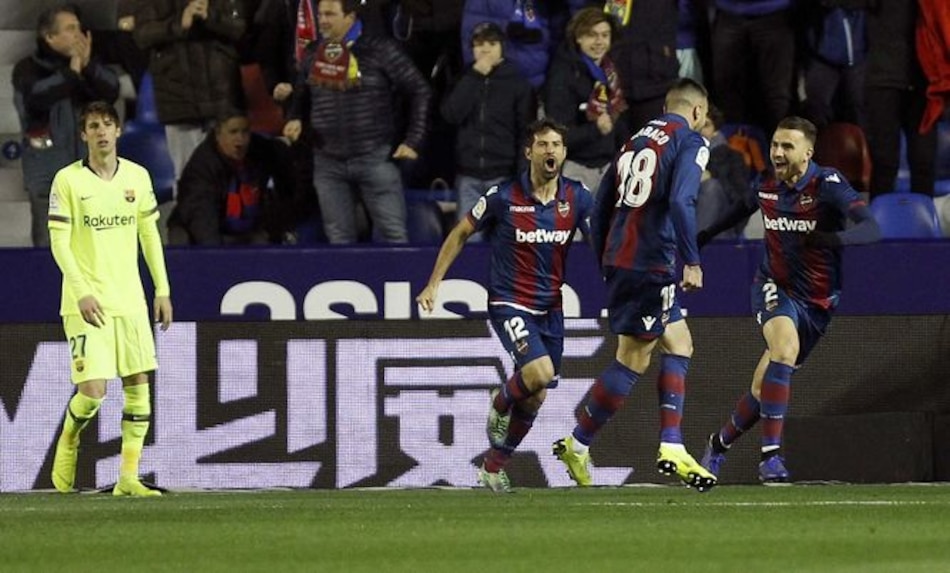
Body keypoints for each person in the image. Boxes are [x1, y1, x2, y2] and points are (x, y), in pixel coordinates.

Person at [553, 78, 717, 492]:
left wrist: (605, 260)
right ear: (698, 112)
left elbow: (600, 206)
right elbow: (681, 200)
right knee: (633, 359)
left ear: (666, 107)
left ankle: (671, 442)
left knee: (679, 342)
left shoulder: (635, 140)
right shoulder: (691, 141)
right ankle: (581, 442)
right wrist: (692, 261)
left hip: (622, 258)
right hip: (650, 261)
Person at [696, 116, 880, 483]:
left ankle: (718, 444)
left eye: (787, 147)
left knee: (762, 388)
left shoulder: (827, 184)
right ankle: (771, 458)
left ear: (808, 153)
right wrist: (702, 237)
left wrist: (830, 240)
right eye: (775, 145)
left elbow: (871, 229)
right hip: (774, 286)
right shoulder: (766, 182)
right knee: (784, 349)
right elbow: (739, 209)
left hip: (819, 301)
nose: (777, 153)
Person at [416, 118, 594, 493]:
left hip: (550, 308)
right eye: (543, 144)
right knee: (539, 373)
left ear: (564, 153)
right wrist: (434, 283)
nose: (550, 150)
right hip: (509, 302)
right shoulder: (503, 196)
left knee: (537, 394)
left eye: (556, 145)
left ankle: (492, 467)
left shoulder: (578, 197)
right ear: (529, 152)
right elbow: (461, 232)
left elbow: (603, 243)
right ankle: (498, 402)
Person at [48, 100, 173, 497]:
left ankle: (128, 478)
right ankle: (69, 437)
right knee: (93, 393)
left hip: (130, 299)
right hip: (86, 303)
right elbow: (59, 243)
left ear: (118, 130)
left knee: (138, 384)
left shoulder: (137, 176)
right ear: (83, 135)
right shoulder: (68, 181)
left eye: (107, 124)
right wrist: (81, 291)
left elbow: (149, 235)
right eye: (93, 126)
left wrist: (162, 289)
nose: (101, 131)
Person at [283, 0, 432, 244]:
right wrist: (294, 118)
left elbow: (420, 90)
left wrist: (413, 140)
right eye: (320, 15)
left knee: (393, 238)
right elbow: (301, 95)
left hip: (375, 158)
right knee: (339, 241)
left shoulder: (381, 49)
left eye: (330, 14)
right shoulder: (313, 52)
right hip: (328, 162)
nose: (322, 20)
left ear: (350, 17)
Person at [12, 4, 120, 248]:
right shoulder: (28, 69)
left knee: (92, 246)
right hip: (48, 172)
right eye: (70, 29)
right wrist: (71, 74)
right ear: (49, 36)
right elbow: (36, 98)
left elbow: (112, 90)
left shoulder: (88, 66)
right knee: (49, 246)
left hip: (90, 171)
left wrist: (88, 65)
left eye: (79, 28)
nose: (79, 35)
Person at [441, 21, 534, 236]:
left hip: (504, 177)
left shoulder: (517, 82)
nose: (485, 49)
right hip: (468, 177)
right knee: (467, 242)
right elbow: (451, 115)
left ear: (502, 47)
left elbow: (526, 132)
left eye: (492, 43)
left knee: (509, 242)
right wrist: (474, 77)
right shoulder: (464, 78)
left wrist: (523, 177)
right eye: (479, 44)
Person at [166, 110, 298, 245]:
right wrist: (216, 254)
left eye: (245, 132)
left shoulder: (261, 150)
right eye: (233, 132)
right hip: (201, 231)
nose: (240, 139)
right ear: (218, 135)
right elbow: (202, 217)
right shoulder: (202, 167)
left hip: (247, 231)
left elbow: (288, 179)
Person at [543, 7, 628, 194]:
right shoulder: (563, 75)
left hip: (608, 166)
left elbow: (619, 119)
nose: (599, 42)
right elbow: (558, 134)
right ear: (578, 37)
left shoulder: (610, 72)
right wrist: (595, 129)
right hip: (576, 169)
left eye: (605, 35)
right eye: (592, 35)